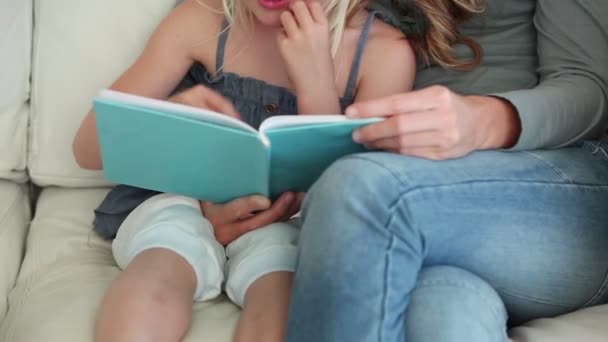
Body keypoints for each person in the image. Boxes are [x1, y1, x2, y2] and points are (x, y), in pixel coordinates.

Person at [72, 0, 483, 340]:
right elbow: (88, 149)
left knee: (282, 295)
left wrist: (317, 83)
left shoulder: (383, 50)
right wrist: (169, 116)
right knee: (158, 268)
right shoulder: (203, 19)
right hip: (181, 199)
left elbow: (359, 194)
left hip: (294, 221)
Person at [285, 0, 608, 341]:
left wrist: (482, 120)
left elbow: (589, 87)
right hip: (414, 205)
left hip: (553, 187)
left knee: (359, 191)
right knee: (443, 310)